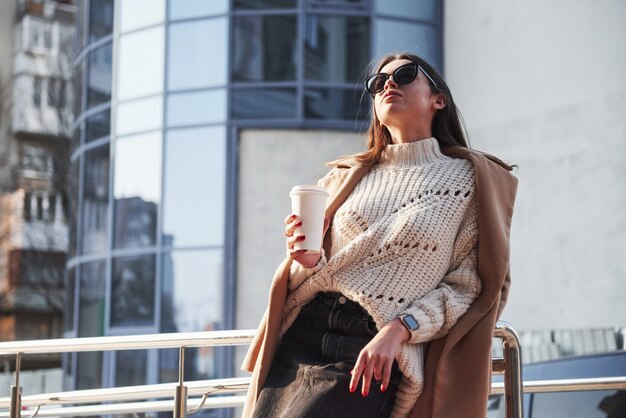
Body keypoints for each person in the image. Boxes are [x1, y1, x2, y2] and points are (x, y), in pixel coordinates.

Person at [241, 52, 518, 418]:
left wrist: (400, 330)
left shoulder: (472, 181)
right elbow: (317, 270)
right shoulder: (345, 178)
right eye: (377, 83)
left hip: (371, 344)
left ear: (439, 99)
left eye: (404, 75)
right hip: (302, 332)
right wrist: (306, 261)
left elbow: (467, 287)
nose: (388, 84)